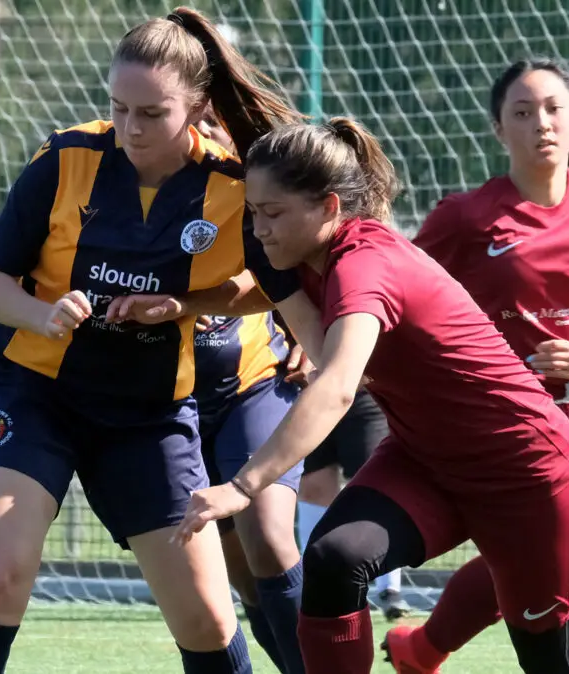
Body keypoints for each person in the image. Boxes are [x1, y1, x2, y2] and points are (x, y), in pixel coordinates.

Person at [0, 8, 310, 673]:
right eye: (119, 107)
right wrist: (40, 313)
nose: (132, 127)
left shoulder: (231, 185)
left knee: (206, 617)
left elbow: (269, 285)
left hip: (149, 413)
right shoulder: (66, 158)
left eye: (152, 112)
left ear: (196, 105)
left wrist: (185, 304)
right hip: (33, 393)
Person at [173, 117, 569, 674]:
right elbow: (283, 305)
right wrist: (184, 302)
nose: (258, 229)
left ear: (329, 207)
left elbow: (336, 387)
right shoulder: (310, 258)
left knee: (550, 661)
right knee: (334, 558)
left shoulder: (365, 266)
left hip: (525, 472)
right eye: (252, 212)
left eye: (272, 213)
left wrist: (243, 485)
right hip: (426, 461)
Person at [383, 57, 569, 674]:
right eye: (521, 111)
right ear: (498, 129)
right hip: (500, 425)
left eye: (552, 109)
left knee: (520, 554)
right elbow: (395, 289)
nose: (540, 122)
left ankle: (420, 651)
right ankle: (425, 650)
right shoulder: (465, 217)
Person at [189, 108, 306, 674]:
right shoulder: (125, 188)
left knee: (268, 536)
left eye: (213, 119)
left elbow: (318, 257)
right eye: (191, 121)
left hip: (254, 387)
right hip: (166, 408)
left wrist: (311, 324)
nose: (202, 132)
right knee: (232, 573)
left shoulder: (262, 194)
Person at [298, 388, 411, 620]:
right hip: (309, 394)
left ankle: (389, 589)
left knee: (377, 483)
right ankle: (312, 586)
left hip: (363, 390)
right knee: (312, 487)